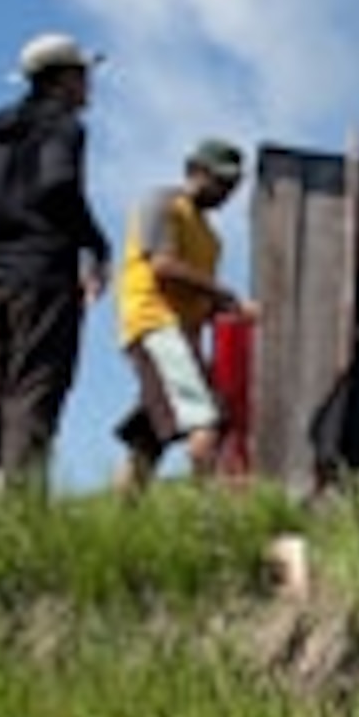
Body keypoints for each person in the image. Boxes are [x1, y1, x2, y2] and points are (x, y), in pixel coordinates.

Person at [0, 34, 110, 487]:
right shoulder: (63, 126)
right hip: (44, 275)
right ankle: (23, 508)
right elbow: (57, 185)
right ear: (63, 80)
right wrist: (95, 245)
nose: (89, 85)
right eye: (83, 75)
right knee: (36, 386)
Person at [112, 139, 258, 492]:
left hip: (183, 336)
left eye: (233, 184)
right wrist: (225, 294)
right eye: (220, 181)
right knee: (206, 420)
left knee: (149, 438)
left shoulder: (211, 240)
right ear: (194, 171)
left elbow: (199, 298)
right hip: (155, 324)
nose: (226, 191)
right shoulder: (162, 204)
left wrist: (232, 310)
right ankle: (204, 513)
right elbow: (162, 266)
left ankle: (121, 511)